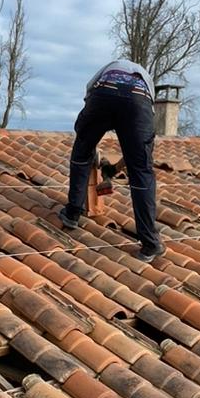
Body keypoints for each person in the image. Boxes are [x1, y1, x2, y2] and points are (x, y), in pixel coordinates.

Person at [59, 57, 163, 260]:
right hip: (138, 100)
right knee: (142, 171)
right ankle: (150, 243)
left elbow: (89, 105)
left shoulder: (106, 72)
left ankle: (72, 213)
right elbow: (142, 151)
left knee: (81, 151)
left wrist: (92, 146)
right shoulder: (146, 84)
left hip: (103, 94)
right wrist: (124, 166)